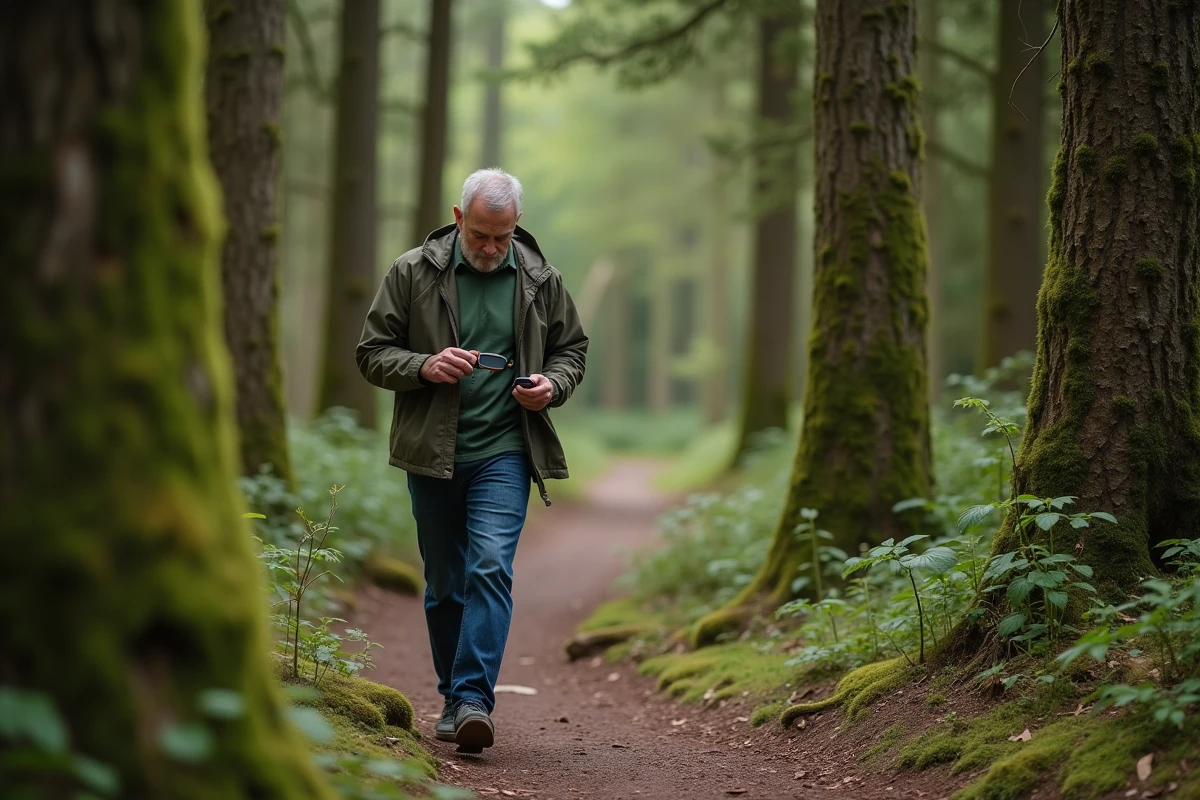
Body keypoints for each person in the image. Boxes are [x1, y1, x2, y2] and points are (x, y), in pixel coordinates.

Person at [355, 169, 588, 752]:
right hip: (430, 451)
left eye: (502, 237)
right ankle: (452, 696)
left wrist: (551, 387)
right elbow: (371, 353)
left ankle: (472, 701)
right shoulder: (412, 272)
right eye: (481, 235)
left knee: (489, 566)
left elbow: (572, 350)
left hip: (506, 450)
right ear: (459, 219)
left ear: (516, 227)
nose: (490, 248)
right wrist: (423, 366)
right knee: (443, 583)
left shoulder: (540, 279)